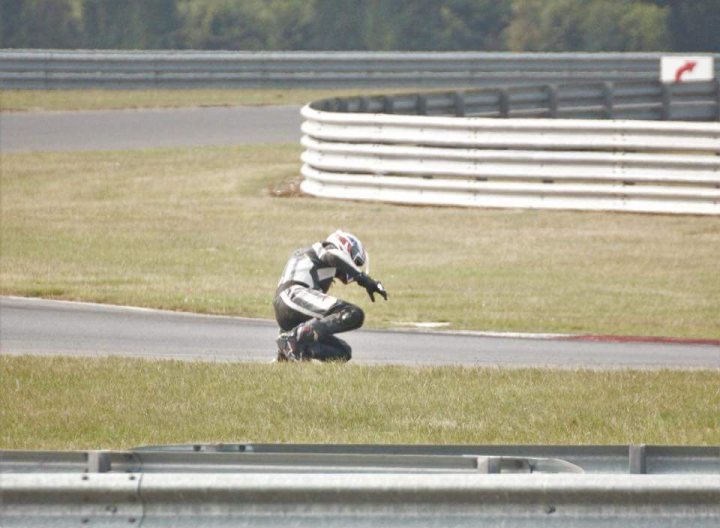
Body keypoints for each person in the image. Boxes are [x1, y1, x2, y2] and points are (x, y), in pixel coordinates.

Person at [273, 230, 388, 362]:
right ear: (345, 247)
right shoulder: (324, 248)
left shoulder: (312, 258)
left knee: (342, 352)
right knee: (352, 313)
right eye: (353, 261)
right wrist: (364, 279)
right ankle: (297, 337)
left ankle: (294, 349)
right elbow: (333, 256)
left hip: (287, 308)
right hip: (294, 294)